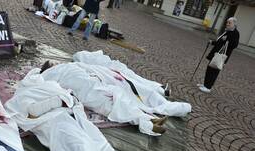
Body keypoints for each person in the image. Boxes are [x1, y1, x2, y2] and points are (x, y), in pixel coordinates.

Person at [5, 69, 161, 151]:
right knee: (82, 149)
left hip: (75, 119)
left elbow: (70, 99)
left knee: (102, 148)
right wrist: (60, 101)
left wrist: (69, 100)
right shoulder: (22, 95)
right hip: (55, 124)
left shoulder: (51, 86)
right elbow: (32, 113)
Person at [39, 50, 192, 136]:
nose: (57, 63)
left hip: (94, 81)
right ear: (50, 67)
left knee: (120, 95)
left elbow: (87, 68)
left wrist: (98, 76)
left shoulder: (70, 66)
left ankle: (149, 118)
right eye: (54, 63)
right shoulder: (53, 74)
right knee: (109, 101)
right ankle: (146, 120)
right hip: (86, 87)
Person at [198, 17, 240, 93]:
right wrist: (212, 42)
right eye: (227, 22)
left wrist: (227, 40)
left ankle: (208, 87)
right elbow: (219, 42)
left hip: (221, 56)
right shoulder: (227, 31)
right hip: (215, 53)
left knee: (214, 71)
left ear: (234, 24)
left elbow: (234, 45)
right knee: (209, 69)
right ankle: (205, 84)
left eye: (229, 23)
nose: (227, 24)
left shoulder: (235, 33)